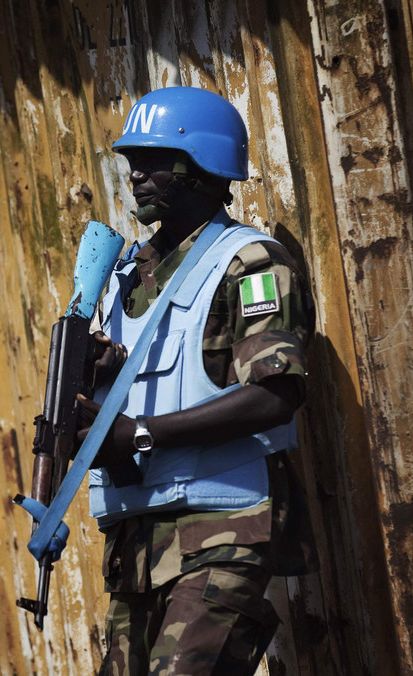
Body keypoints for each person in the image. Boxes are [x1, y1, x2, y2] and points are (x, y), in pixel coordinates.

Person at [75, 86, 316, 676]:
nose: (136, 174)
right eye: (132, 161)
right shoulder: (122, 273)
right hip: (138, 538)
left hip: (223, 523)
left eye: (153, 160)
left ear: (202, 164)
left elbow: (274, 394)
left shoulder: (251, 262)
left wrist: (139, 435)